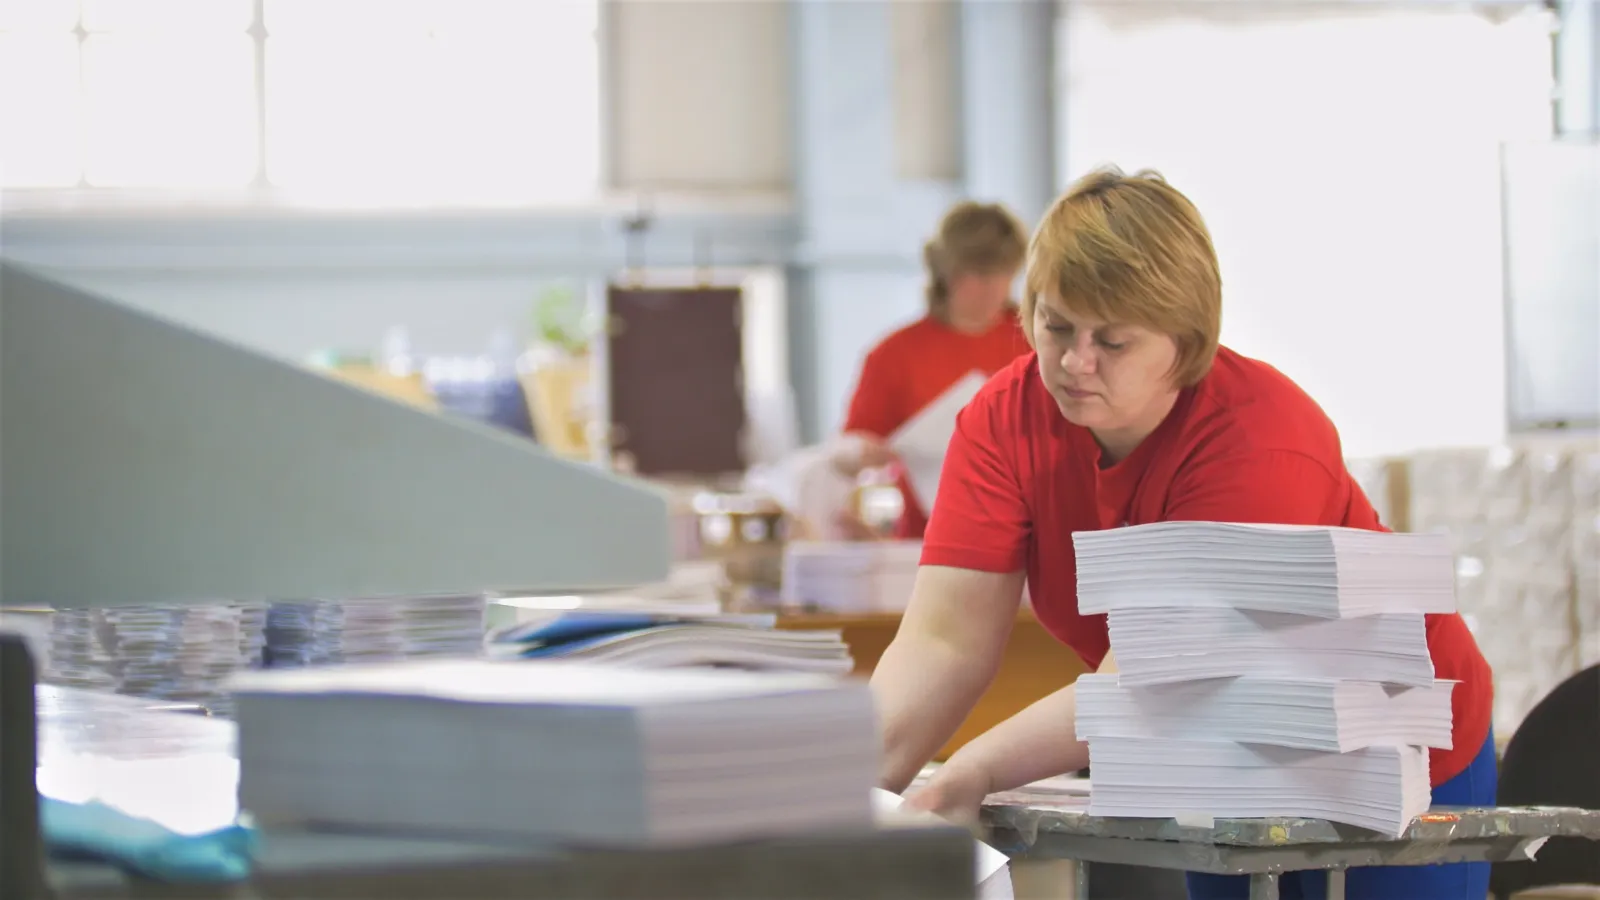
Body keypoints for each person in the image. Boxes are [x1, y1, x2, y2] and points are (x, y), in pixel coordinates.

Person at [869, 168, 1495, 900]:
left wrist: (971, 770)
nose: (1074, 363)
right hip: (1219, 756)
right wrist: (837, 799)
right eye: (1056, 325)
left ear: (1187, 343)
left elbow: (1155, 674)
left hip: (1391, 748)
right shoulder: (1005, 420)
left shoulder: (1259, 438)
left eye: (1114, 342)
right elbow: (943, 640)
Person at [832, 200, 1031, 539]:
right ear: (948, 273)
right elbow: (846, 453)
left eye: (1007, 273)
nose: (996, 287)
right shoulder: (895, 354)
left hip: (1026, 531)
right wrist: (863, 452)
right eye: (982, 275)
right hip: (928, 540)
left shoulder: (1037, 341)